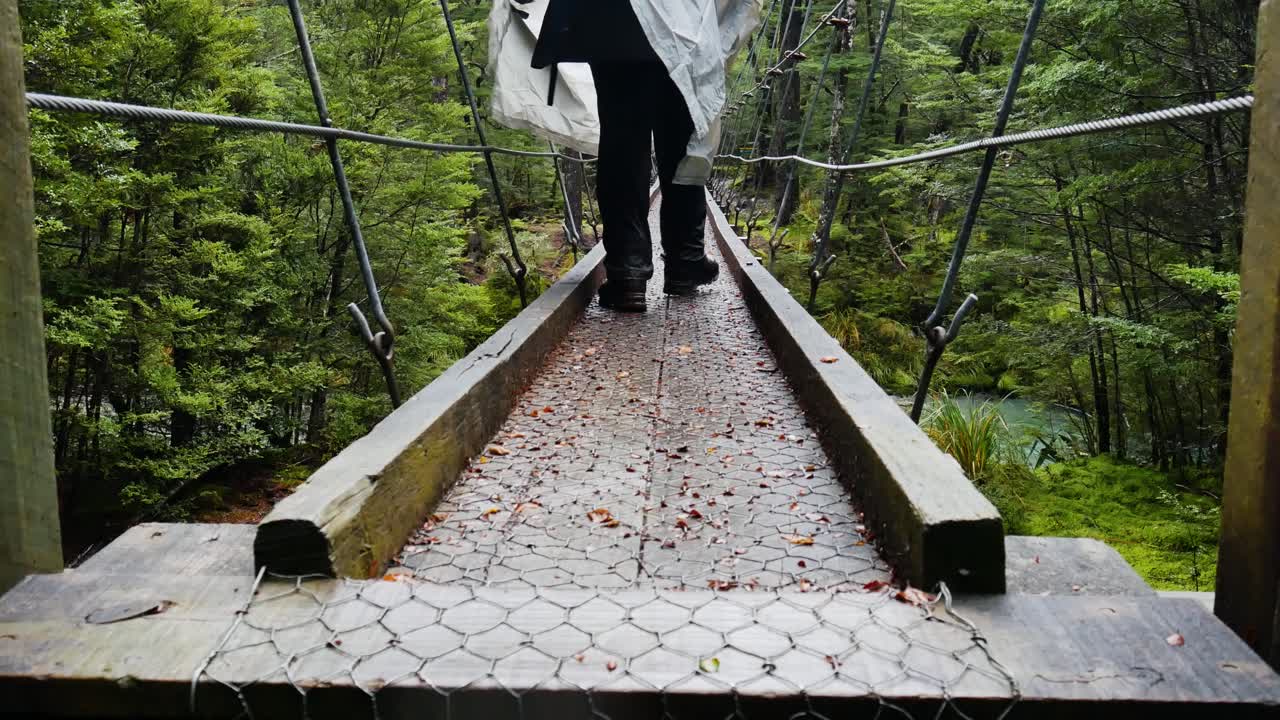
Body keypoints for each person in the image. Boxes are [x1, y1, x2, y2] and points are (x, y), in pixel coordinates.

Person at [488, 0, 762, 312]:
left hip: (610, 17)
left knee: (622, 138)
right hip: (686, 19)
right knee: (682, 137)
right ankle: (685, 261)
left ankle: (627, 272)